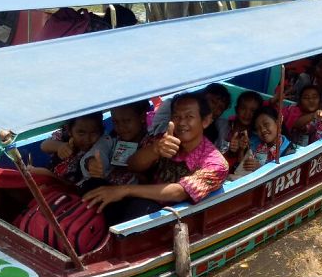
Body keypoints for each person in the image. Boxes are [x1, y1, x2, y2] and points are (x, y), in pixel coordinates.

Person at [83, 93, 228, 225]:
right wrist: (155, 150)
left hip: (171, 218)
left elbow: (179, 192)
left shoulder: (216, 164)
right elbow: (132, 165)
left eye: (189, 117)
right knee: (94, 185)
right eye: (177, 117)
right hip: (140, 198)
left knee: (138, 208)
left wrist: (125, 190)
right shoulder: (164, 140)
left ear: (206, 121)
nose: (182, 123)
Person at [0, 112, 105, 220]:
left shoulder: (101, 149)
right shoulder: (63, 137)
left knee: (41, 187)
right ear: (69, 130)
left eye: (94, 133)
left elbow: (78, 187)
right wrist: (59, 147)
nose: (87, 139)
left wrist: (44, 173)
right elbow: (44, 145)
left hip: (67, 193)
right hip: (45, 181)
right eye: (81, 133)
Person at [231, 106, 295, 179]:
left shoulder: (288, 151)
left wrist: (259, 168)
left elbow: (282, 178)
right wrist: (241, 150)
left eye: (266, 124)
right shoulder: (254, 142)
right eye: (258, 128)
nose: (263, 130)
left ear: (278, 122)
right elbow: (240, 168)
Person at [225, 91, 263, 170]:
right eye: (243, 108)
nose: (247, 114)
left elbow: (244, 168)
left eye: (253, 111)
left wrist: (241, 150)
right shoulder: (223, 126)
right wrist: (229, 148)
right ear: (236, 109)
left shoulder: (256, 138)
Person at [201, 83, 233, 153]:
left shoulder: (215, 131)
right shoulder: (186, 117)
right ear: (203, 98)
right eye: (213, 102)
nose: (215, 109)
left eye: (220, 108)